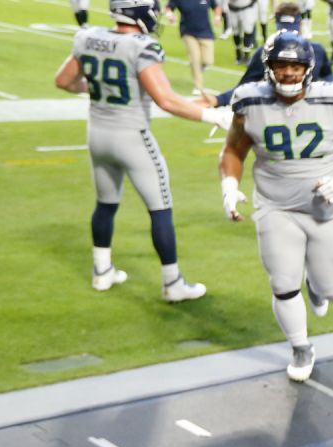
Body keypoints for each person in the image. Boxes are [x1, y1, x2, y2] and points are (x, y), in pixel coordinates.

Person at [219, 32, 333, 382]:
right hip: (275, 206)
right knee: (282, 282)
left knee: (332, 290)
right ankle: (300, 345)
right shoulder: (250, 103)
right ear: (268, 68)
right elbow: (233, 150)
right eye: (281, 65)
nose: (289, 73)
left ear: (308, 69)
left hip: (325, 207)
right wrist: (229, 185)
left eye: (295, 65)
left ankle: (317, 286)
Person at [55, 0, 230, 302]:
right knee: (160, 208)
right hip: (132, 136)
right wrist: (211, 116)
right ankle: (173, 283)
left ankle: (102, 272)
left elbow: (64, 81)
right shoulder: (142, 45)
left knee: (105, 203)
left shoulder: (88, 37)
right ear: (138, 11)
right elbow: (165, 100)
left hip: (97, 133)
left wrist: (99, 88)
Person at [205, 4, 333, 108]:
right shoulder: (316, 50)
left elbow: (243, 89)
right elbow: (244, 88)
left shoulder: (266, 50)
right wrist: (218, 100)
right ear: (300, 24)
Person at [165, 0, 221, 98]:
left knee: (208, 61)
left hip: (206, 32)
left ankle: (199, 69)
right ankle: (198, 87)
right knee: (195, 59)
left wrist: (217, 17)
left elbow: (216, 6)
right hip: (188, 32)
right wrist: (170, 15)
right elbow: (168, 7)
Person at [225, 0, 260, 65]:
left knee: (248, 30)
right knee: (235, 32)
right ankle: (238, 54)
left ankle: (247, 56)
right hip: (233, 9)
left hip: (247, 8)